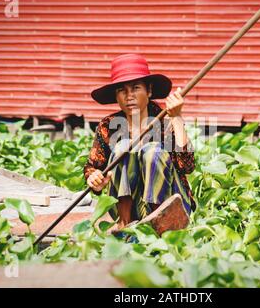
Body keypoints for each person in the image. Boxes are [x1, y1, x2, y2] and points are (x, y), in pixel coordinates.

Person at [83, 53, 196, 233]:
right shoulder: (108, 125)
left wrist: (177, 117)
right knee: (122, 147)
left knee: (152, 151)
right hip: (129, 209)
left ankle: (157, 221)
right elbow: (91, 167)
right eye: (122, 90)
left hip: (170, 205)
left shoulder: (165, 120)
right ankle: (124, 224)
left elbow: (187, 166)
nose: (129, 96)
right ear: (116, 95)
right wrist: (94, 177)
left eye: (136, 88)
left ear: (149, 91)